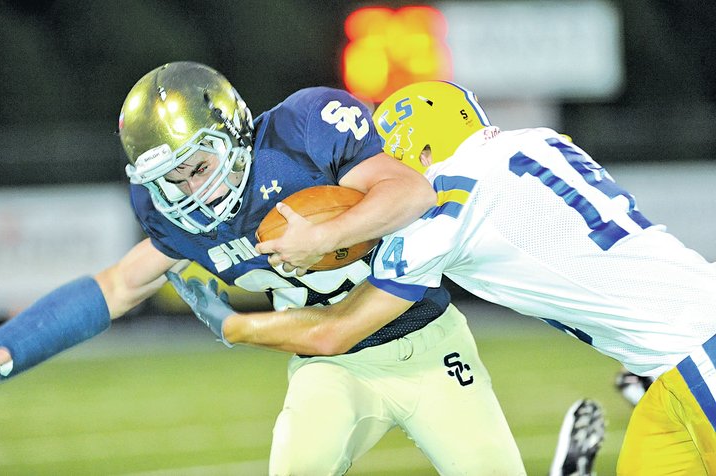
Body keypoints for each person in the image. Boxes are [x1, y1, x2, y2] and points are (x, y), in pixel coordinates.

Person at [0, 63, 527, 475]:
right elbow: (119, 284)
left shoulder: (300, 134)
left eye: (197, 166)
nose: (189, 190)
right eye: (171, 180)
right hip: (328, 364)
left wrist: (322, 236)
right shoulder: (181, 220)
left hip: (426, 341)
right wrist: (17, 341)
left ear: (233, 134)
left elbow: (409, 192)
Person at [177, 80, 716, 474]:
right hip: (670, 370)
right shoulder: (543, 140)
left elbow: (332, 332)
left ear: (421, 151)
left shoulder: (443, 212)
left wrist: (235, 325)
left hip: (698, 354)